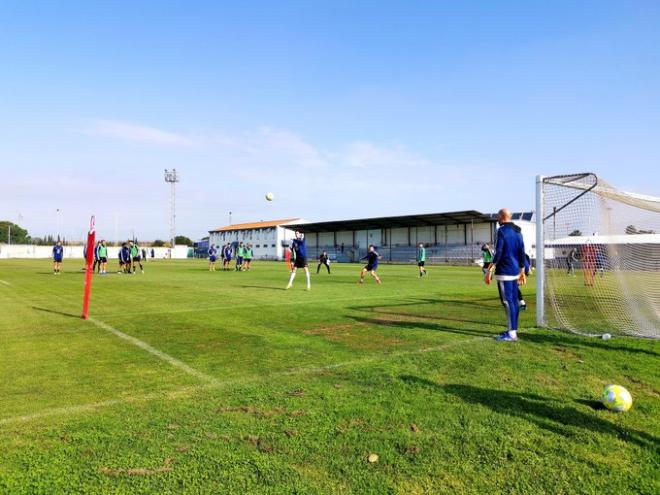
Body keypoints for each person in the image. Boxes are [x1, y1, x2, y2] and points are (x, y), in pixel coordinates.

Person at [485, 208, 526, 342]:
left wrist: (490, 270)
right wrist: (522, 270)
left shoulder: (501, 231)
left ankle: (511, 333)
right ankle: (513, 330)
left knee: (507, 302)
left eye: (498, 216)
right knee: (514, 301)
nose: (497, 218)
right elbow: (522, 252)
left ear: (502, 217)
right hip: (514, 271)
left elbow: (498, 252)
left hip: (504, 271)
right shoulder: (518, 232)